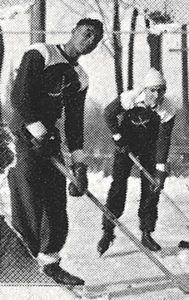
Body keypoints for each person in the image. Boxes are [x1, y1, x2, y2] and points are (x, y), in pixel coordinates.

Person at [7, 18, 103, 285]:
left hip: (49, 138)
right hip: (23, 134)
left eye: (96, 39)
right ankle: (19, 266)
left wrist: (79, 164)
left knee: (55, 205)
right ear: (73, 31)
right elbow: (20, 98)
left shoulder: (80, 77)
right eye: (87, 33)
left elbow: (74, 122)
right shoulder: (42, 52)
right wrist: (39, 133)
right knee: (28, 202)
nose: (91, 41)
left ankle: (50, 265)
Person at [97, 68, 176, 256]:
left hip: (150, 148)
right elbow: (108, 113)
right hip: (126, 147)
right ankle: (108, 231)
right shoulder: (130, 98)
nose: (157, 95)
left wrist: (160, 170)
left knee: (151, 188)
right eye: (153, 90)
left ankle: (146, 232)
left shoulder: (168, 109)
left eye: (161, 90)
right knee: (118, 187)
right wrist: (118, 138)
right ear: (145, 89)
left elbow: (163, 140)